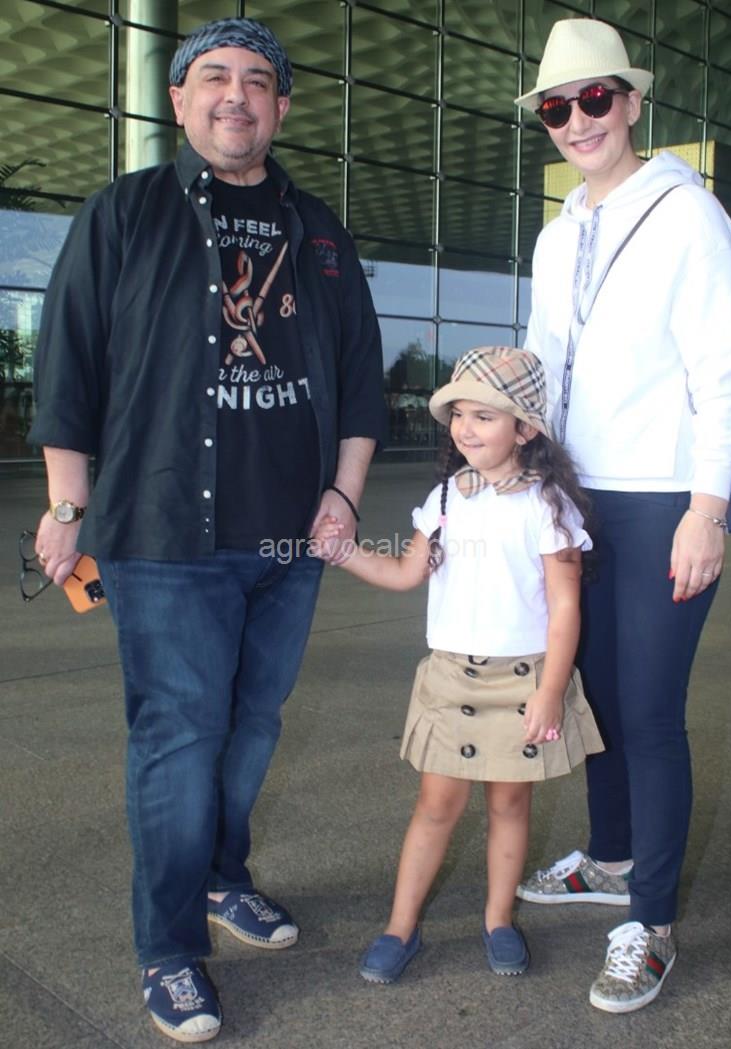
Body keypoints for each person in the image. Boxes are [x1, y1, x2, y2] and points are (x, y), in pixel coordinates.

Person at [28, 17, 386, 1044]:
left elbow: (359, 375)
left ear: (281, 106)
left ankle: (225, 877)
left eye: (258, 80)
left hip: (288, 539)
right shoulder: (125, 213)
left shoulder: (318, 231)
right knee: (180, 738)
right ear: (181, 100)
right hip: (161, 535)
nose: (237, 94)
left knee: (252, 725)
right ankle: (170, 946)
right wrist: (66, 506)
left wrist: (345, 497)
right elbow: (69, 365)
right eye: (215, 77)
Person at [514, 18, 731, 1014]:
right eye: (556, 108)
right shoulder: (555, 232)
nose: (577, 120)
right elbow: (538, 367)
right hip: (576, 495)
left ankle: (648, 920)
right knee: (600, 699)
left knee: (649, 710)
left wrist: (706, 508)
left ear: (631, 101)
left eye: (593, 99)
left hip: (663, 495)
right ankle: (611, 857)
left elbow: (723, 372)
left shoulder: (687, 215)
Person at [313, 346, 604, 983]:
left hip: (523, 681)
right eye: (460, 415)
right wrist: (346, 554)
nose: (466, 429)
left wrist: (551, 691)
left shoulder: (549, 505)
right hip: (451, 678)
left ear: (524, 431)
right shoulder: (446, 497)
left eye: (485, 417)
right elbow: (405, 572)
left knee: (510, 806)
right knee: (435, 806)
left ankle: (499, 920)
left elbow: (565, 608)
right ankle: (400, 926)